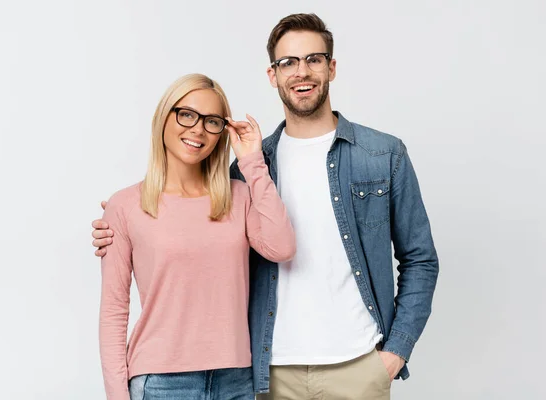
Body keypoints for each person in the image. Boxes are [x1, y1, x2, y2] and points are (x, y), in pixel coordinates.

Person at [93, 14, 439, 400]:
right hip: (268, 371)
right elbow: (180, 237)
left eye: (313, 59)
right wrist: (125, 217)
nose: (301, 71)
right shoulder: (245, 172)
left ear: (332, 67)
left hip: (355, 365)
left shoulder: (380, 155)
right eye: (288, 62)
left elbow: (419, 259)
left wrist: (395, 352)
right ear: (273, 74)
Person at [97, 73, 296, 400]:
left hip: (236, 380)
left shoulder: (240, 196)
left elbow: (282, 246)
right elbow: (114, 312)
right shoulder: (124, 206)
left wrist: (252, 162)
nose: (198, 130)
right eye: (187, 114)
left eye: (212, 121)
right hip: (161, 383)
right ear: (164, 117)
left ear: (222, 132)